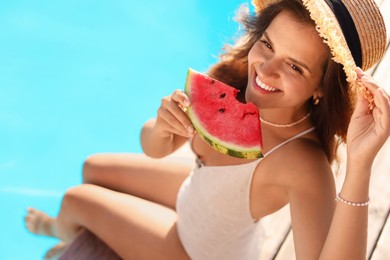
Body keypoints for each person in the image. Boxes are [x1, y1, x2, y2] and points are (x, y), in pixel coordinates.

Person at [25, 0, 390, 259]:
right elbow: (153, 148)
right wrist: (163, 125)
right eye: (267, 45)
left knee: (75, 199)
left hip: (195, 249)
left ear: (322, 87)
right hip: (199, 196)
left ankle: (61, 234)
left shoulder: (301, 163)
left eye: (295, 67)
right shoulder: (233, 79)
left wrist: (360, 166)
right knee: (92, 167)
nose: (265, 70)